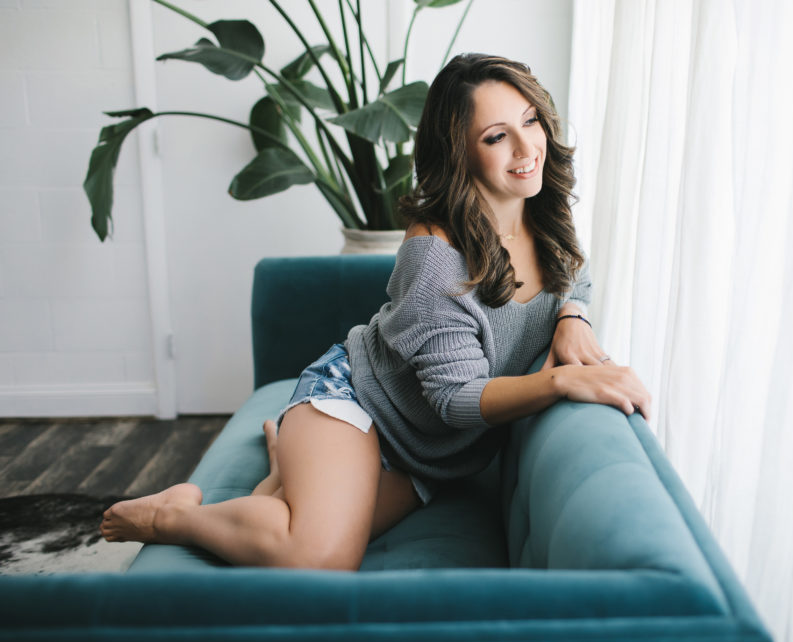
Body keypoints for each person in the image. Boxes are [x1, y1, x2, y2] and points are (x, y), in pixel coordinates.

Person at [100, 54, 651, 570]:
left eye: (530, 121)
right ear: (460, 151)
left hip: (426, 459)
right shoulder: (437, 253)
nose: (526, 147)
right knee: (319, 557)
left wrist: (573, 315)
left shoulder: (544, 212)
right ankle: (174, 515)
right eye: (496, 136)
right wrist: (559, 383)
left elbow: (576, 274)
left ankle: (285, 463)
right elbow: (456, 398)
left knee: (299, 523)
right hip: (355, 402)